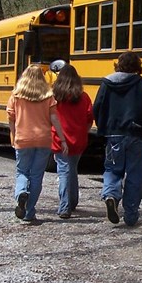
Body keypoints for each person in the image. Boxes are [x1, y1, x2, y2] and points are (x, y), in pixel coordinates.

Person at [92, 51, 142, 226]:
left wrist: (103, 126)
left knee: (112, 169)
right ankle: (131, 215)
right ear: (138, 66)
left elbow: (97, 107)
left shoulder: (107, 83)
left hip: (114, 135)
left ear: (119, 65)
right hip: (136, 135)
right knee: (135, 175)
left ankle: (111, 195)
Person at [6, 64, 69, 225]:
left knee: (22, 171)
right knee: (36, 176)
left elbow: (11, 118)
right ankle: (29, 212)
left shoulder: (16, 95)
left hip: (23, 139)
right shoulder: (48, 96)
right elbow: (55, 119)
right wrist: (62, 139)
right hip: (43, 140)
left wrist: (13, 135)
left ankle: (21, 193)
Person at [51, 64, 94, 219]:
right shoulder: (84, 97)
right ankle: (73, 201)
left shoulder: (55, 97)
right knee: (72, 169)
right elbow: (90, 118)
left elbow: (49, 117)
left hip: (60, 139)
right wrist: (82, 130)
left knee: (64, 171)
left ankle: (65, 206)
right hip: (79, 139)